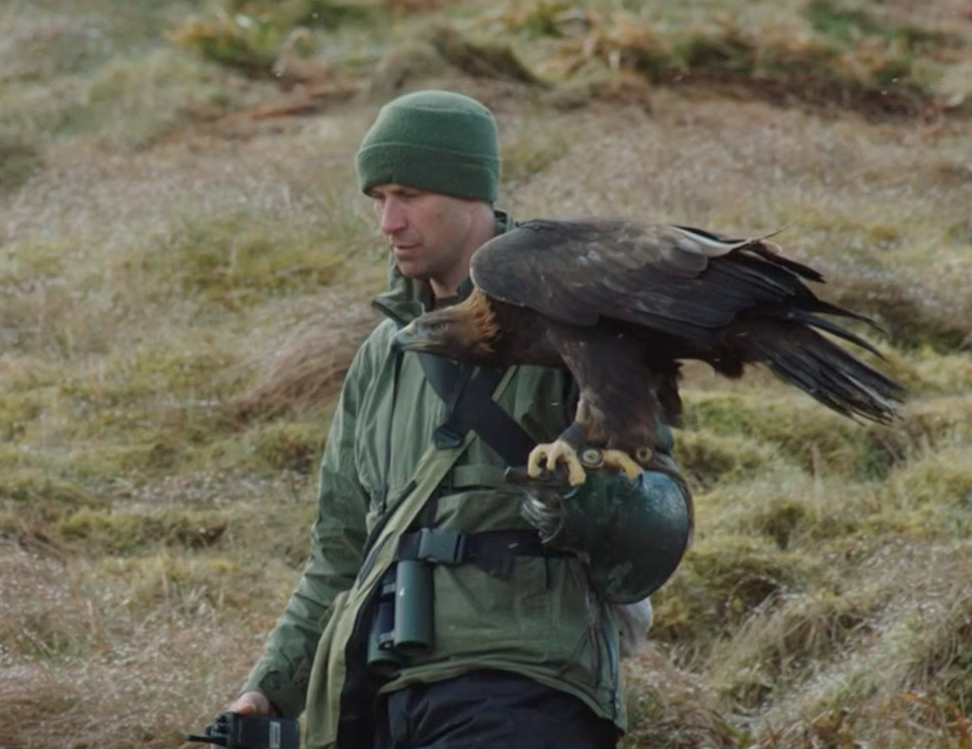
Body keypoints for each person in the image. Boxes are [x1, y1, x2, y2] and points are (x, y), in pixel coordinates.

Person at [226, 89, 690, 749]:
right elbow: (337, 554)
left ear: (472, 195)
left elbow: (662, 509)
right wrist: (268, 687)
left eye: (408, 195)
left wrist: (592, 500)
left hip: (524, 682)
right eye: (378, 198)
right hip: (378, 698)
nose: (388, 221)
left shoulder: (575, 319)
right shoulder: (381, 358)